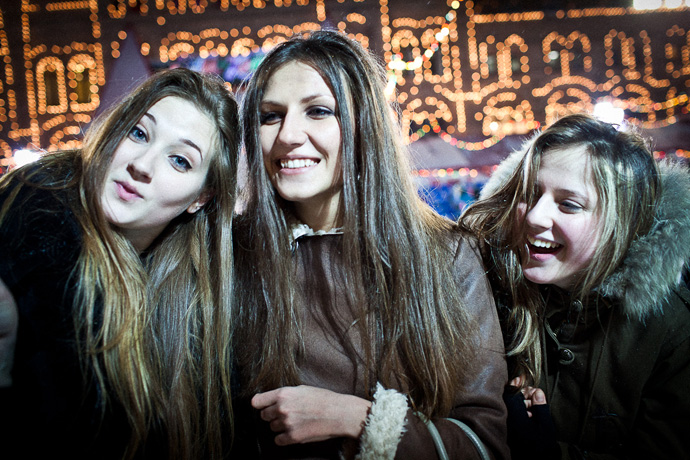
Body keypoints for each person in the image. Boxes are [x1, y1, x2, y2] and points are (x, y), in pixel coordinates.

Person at [232, 30, 509, 459]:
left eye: (318, 111)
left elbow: (482, 444)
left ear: (366, 126)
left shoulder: (447, 255)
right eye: (270, 116)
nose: (288, 135)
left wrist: (359, 420)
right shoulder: (229, 254)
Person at [0, 68, 240, 459]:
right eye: (139, 134)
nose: (142, 165)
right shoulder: (41, 213)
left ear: (201, 198)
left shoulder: (191, 292)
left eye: (179, 161)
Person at [462, 113, 690, 459]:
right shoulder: (484, 289)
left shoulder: (673, 330)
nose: (535, 216)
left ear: (620, 221)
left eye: (569, 204)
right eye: (530, 194)